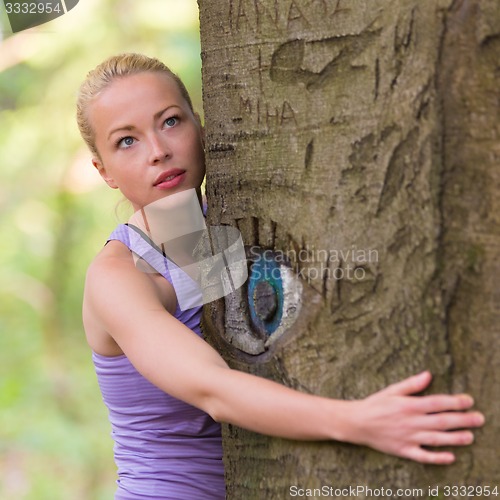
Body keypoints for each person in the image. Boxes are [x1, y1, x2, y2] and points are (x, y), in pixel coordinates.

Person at [77, 53, 485, 499]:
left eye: (171, 121)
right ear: (104, 171)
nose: (158, 151)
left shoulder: (210, 229)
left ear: (200, 124)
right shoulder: (118, 277)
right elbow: (213, 389)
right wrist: (358, 422)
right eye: (126, 142)